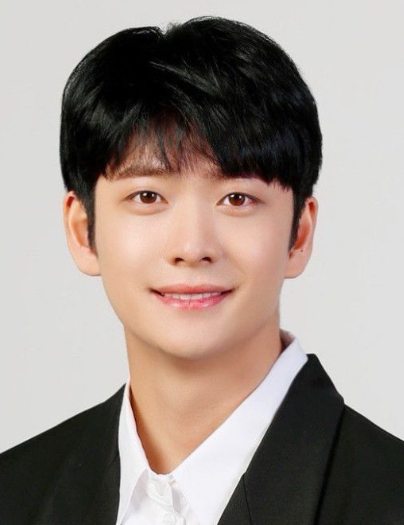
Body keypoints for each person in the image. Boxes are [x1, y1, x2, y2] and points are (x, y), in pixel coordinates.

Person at [1, 15, 403, 525]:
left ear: (299, 235)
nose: (192, 247)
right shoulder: (15, 493)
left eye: (237, 198)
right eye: (147, 196)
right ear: (84, 232)